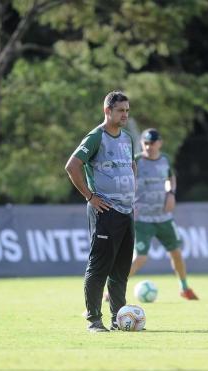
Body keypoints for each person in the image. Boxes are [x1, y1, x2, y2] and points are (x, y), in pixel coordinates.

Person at [65, 91, 136, 332]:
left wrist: (131, 195)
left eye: (127, 110)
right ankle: (94, 320)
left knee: (121, 269)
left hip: (126, 211)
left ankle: (119, 318)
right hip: (105, 211)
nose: (124, 114)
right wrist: (90, 196)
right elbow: (72, 166)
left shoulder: (127, 138)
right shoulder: (96, 137)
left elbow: (132, 166)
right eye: (120, 110)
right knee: (99, 266)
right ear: (107, 111)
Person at [130, 129, 198, 300]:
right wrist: (130, 204)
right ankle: (113, 291)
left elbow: (171, 179)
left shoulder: (165, 160)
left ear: (159, 143)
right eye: (145, 143)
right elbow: (125, 183)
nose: (149, 147)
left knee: (176, 252)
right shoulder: (136, 161)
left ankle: (184, 288)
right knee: (140, 258)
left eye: (152, 143)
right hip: (142, 220)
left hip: (164, 218)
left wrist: (171, 193)